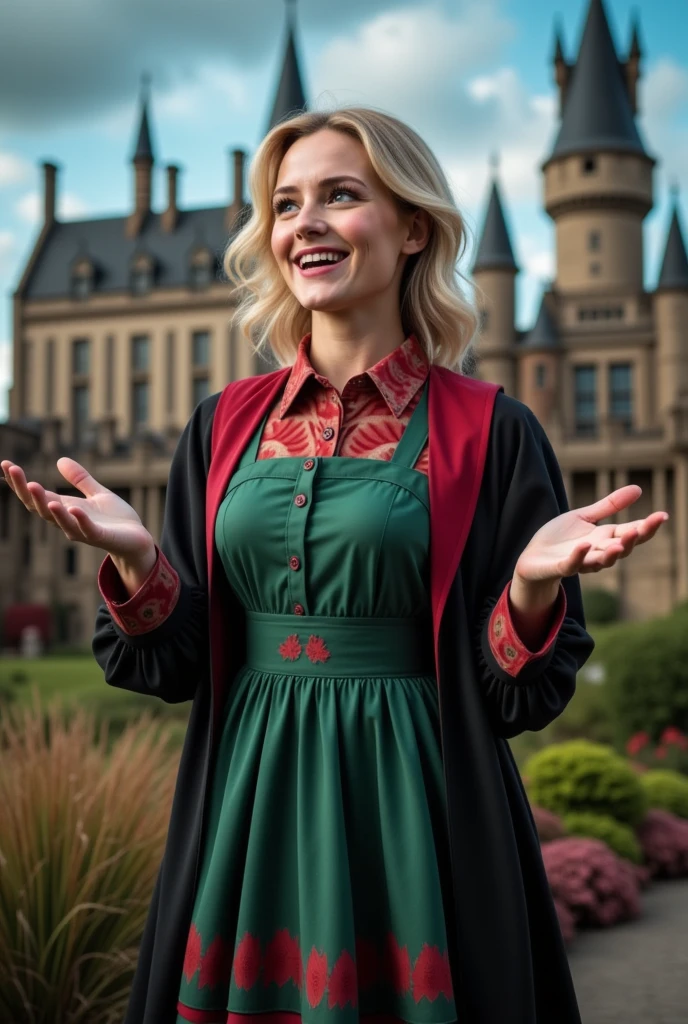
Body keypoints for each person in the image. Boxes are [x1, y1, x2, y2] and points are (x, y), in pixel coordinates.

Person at [0, 107, 668, 1024]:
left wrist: (528, 589)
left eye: (340, 196)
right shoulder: (222, 426)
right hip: (249, 795)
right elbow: (176, 660)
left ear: (413, 226)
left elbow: (520, 693)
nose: (304, 222)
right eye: (286, 204)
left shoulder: (492, 429)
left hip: (417, 804)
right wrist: (142, 563)